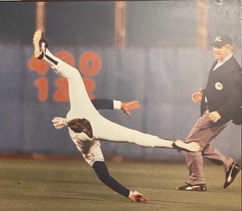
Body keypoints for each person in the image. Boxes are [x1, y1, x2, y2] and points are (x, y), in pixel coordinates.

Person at [33, 30, 201, 202]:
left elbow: (95, 104)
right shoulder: (93, 152)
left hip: (82, 118)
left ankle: (45, 54)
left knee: (74, 75)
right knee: (132, 136)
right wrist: (128, 194)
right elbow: (105, 177)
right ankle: (173, 144)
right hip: (86, 127)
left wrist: (120, 105)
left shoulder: (91, 137)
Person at [177, 35, 241, 191]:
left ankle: (197, 181)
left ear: (229, 48)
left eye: (220, 46)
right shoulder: (220, 61)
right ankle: (229, 164)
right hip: (212, 111)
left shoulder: (233, 69)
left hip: (218, 115)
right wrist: (204, 94)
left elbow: (238, 97)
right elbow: (220, 89)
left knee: (191, 145)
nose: (216, 50)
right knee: (199, 144)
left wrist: (220, 113)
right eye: (215, 46)